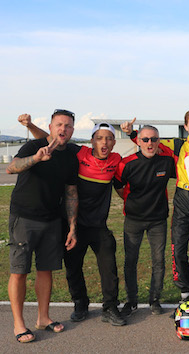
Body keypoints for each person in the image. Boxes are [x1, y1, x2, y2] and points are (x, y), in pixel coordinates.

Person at [19, 117, 127, 326]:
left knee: (109, 266)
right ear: (91, 141)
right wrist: (31, 126)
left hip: (98, 227)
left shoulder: (116, 161)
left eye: (109, 139)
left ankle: (110, 307)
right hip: (72, 225)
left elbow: (137, 167)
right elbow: (51, 139)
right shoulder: (79, 153)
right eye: (99, 139)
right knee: (73, 267)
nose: (104, 143)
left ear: (114, 143)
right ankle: (80, 303)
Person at [121, 110, 189, 304]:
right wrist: (130, 133)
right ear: (186, 126)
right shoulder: (177, 144)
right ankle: (183, 290)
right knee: (178, 246)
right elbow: (150, 142)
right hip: (183, 198)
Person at [7, 109, 79, 343]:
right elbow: (12, 167)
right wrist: (37, 158)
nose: (63, 130)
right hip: (24, 216)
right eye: (59, 125)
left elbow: (70, 193)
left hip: (51, 220)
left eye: (68, 126)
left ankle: (43, 318)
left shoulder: (69, 156)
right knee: (19, 271)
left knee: (46, 269)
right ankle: (19, 324)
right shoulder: (34, 146)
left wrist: (71, 226)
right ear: (50, 127)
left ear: (72, 130)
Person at [114, 125, 176, 317]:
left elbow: (185, 167)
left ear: (159, 141)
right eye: (146, 139)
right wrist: (129, 201)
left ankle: (154, 299)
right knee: (130, 261)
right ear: (138, 141)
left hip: (158, 220)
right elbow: (118, 186)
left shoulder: (167, 162)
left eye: (154, 139)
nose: (150, 143)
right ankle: (131, 300)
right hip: (133, 220)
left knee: (158, 261)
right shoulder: (127, 163)